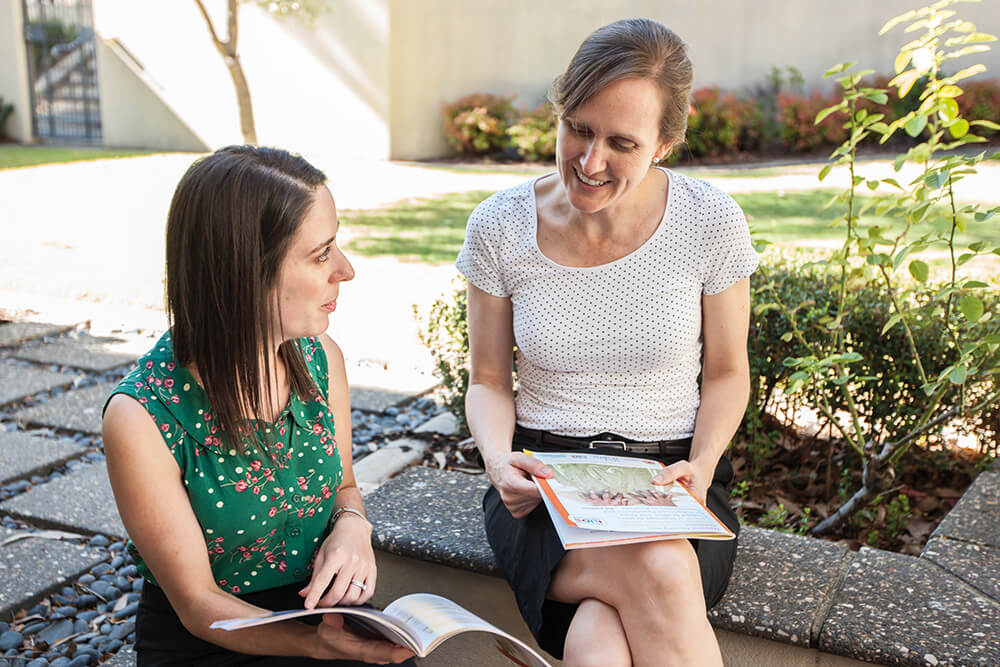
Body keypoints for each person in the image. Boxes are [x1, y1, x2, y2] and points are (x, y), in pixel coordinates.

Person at [457, 18, 757, 667]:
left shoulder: (708, 221)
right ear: (560, 109)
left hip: (677, 479)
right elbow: (486, 378)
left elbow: (730, 373)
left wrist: (702, 466)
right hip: (543, 488)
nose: (589, 162)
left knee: (599, 642)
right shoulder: (500, 226)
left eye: (620, 142)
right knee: (661, 572)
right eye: (578, 129)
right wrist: (498, 459)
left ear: (666, 142)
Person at [103, 146, 415, 666]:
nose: (347, 269)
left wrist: (353, 527)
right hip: (212, 638)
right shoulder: (142, 419)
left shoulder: (320, 360)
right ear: (246, 271)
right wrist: (318, 647)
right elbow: (198, 604)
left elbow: (344, 487)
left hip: (320, 615)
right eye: (322, 254)